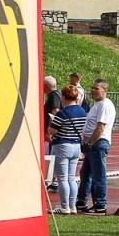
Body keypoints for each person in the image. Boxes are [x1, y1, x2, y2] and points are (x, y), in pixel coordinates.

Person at [76, 78, 116, 214]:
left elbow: (100, 127)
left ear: (105, 91)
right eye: (92, 88)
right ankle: (81, 201)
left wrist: (89, 143)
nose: (93, 91)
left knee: (98, 175)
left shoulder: (105, 105)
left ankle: (100, 204)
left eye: (96, 88)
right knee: (86, 174)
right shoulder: (97, 105)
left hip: (98, 143)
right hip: (93, 143)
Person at [47, 85, 86, 215]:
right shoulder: (82, 111)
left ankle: (64, 207)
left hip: (62, 145)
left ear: (64, 97)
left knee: (62, 179)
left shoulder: (62, 113)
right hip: (76, 146)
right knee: (71, 178)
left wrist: (51, 124)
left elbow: (52, 131)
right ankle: (72, 206)